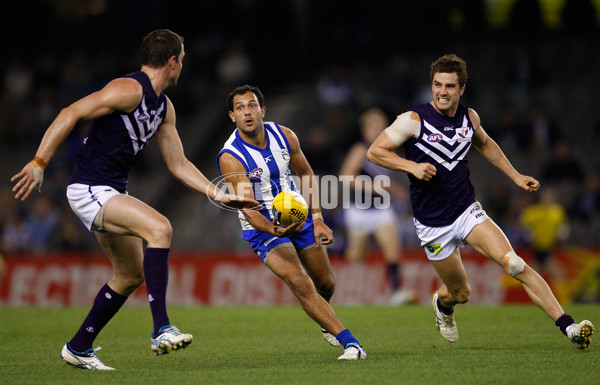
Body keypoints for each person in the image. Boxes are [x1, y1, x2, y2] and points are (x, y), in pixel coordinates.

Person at [10, 29, 258, 370]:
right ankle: (161, 330)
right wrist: (39, 162)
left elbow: (179, 163)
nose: (183, 66)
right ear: (172, 62)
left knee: (129, 275)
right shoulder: (129, 89)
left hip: (110, 190)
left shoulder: (163, 107)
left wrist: (216, 193)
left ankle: (79, 346)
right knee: (160, 228)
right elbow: (70, 112)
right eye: (182, 60)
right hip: (89, 188)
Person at [366, 54, 594, 349]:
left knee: (515, 264)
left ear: (461, 88)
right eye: (437, 84)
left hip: (466, 211)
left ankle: (570, 327)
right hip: (432, 223)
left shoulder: (469, 117)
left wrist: (515, 175)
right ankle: (443, 304)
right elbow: (375, 151)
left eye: (449, 86)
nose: (442, 91)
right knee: (461, 293)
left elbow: (484, 143)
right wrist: (412, 167)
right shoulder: (413, 120)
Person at [217, 85, 366, 360]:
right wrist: (273, 229)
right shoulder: (231, 157)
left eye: (251, 106)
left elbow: (306, 173)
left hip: (300, 216)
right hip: (262, 228)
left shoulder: (284, 135)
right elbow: (248, 209)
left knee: (326, 284)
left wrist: (318, 219)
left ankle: (324, 315)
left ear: (262, 110)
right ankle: (351, 344)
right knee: (300, 282)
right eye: (240, 108)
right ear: (232, 116)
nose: (247, 112)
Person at [339, 107, 414, 305]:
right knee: (355, 255)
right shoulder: (360, 150)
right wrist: (371, 186)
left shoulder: (387, 150)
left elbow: (382, 179)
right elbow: (346, 177)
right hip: (360, 209)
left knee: (392, 249)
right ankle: (343, 285)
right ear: (364, 129)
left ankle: (396, 291)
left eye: (380, 126)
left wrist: (395, 189)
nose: (376, 130)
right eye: (373, 126)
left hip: (381, 208)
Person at [520, 187, 569, 281]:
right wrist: (528, 233)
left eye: (550, 197)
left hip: (551, 247)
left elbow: (563, 224)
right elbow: (523, 224)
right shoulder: (533, 211)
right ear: (541, 198)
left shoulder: (558, 211)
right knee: (555, 273)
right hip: (537, 247)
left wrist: (563, 231)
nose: (548, 199)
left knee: (534, 274)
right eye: (546, 197)